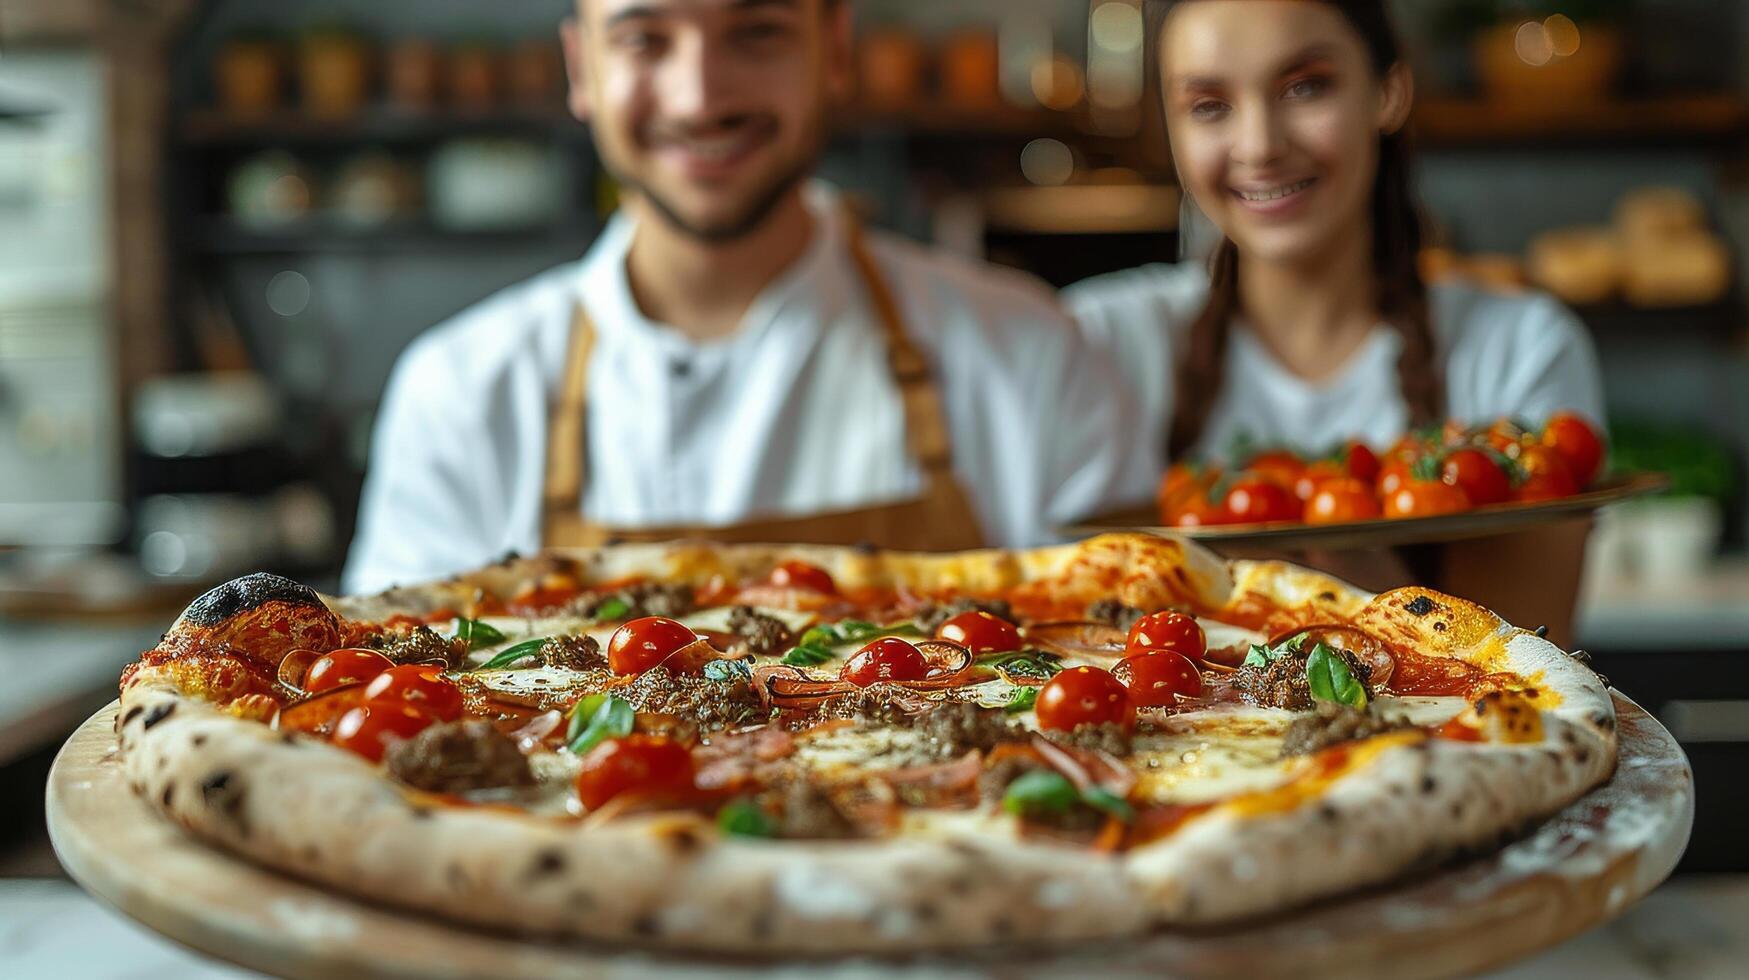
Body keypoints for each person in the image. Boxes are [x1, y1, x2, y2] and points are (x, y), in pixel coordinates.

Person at [343, 0, 1150, 595]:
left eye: (756, 31)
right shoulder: (458, 392)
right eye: (644, 38)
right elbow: (394, 701)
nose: (700, 97)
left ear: (834, 51)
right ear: (582, 69)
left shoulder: (1033, 352)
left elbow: (1137, 665)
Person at [1065, 0, 1605, 641]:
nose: (1260, 146)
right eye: (1209, 105)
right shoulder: (1094, 339)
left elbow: (1532, 672)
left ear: (1389, 92)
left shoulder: (1522, 348)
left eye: (1305, 87)